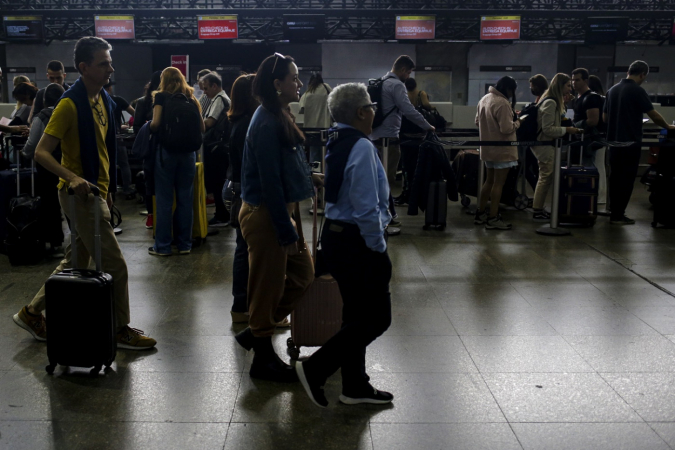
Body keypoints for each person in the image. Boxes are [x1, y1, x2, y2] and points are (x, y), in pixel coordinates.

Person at [12, 36, 156, 350]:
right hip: (78, 195)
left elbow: (105, 151)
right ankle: (121, 329)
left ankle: (31, 312)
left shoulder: (102, 99)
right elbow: (41, 152)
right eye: (104, 63)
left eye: (110, 61)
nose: (110, 68)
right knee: (115, 264)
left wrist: (108, 190)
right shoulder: (69, 104)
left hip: (96, 193)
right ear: (84, 67)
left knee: (75, 260)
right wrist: (73, 177)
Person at [295, 82, 393, 408]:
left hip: (336, 238)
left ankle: (355, 385)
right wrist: (378, 248)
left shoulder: (336, 139)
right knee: (378, 318)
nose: (374, 111)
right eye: (371, 106)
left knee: (355, 316)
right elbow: (366, 207)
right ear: (362, 112)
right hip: (356, 242)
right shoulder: (362, 146)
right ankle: (316, 369)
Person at [234, 53, 320, 382]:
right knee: (265, 289)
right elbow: (269, 181)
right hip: (267, 216)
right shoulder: (266, 121)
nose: (299, 83)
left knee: (302, 275)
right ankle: (262, 357)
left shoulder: (277, 114)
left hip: (278, 213)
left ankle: (256, 333)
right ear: (276, 84)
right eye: (294, 78)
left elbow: (284, 167)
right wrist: (286, 232)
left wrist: (308, 177)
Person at [603, 60, 675, 225]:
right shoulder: (637, 90)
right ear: (642, 74)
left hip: (613, 143)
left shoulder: (612, 90)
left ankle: (614, 211)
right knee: (627, 178)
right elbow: (653, 115)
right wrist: (668, 126)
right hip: (630, 143)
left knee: (615, 177)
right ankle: (619, 215)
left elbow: (605, 118)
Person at [370, 55, 434, 234]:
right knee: (387, 180)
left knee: (377, 179)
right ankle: (387, 219)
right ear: (403, 69)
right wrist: (427, 126)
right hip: (389, 139)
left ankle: (381, 216)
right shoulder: (397, 85)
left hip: (374, 136)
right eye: (409, 72)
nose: (408, 76)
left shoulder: (381, 81)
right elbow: (408, 109)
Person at [148, 67, 205, 256]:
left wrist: (149, 126)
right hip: (189, 154)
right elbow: (202, 127)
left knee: (164, 201)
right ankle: (184, 245)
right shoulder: (191, 98)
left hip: (167, 152)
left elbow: (155, 124)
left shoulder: (161, 97)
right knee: (185, 200)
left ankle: (163, 247)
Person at [225, 73, 258, 323]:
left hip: (235, 186)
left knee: (243, 246)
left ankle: (241, 304)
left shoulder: (238, 120)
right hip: (244, 188)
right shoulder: (249, 123)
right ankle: (242, 304)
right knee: (245, 248)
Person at [22, 83, 66, 258]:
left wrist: (24, 153)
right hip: (67, 163)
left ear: (44, 99)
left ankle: (55, 242)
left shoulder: (40, 117)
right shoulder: (67, 113)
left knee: (50, 203)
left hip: (47, 166)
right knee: (70, 202)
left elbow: (32, 144)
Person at [532, 73, 582, 221]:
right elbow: (548, 129)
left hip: (546, 144)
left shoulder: (551, 100)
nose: (570, 88)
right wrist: (567, 130)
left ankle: (538, 208)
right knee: (545, 176)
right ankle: (537, 209)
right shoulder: (551, 103)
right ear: (560, 86)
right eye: (567, 85)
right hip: (544, 144)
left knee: (545, 176)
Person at [474, 76, 521, 230]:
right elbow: (506, 129)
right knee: (498, 184)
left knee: (488, 181)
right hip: (503, 150)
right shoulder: (502, 103)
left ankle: (480, 213)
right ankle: (493, 217)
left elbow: (477, 121)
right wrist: (519, 121)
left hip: (488, 148)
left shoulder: (485, 99)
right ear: (509, 89)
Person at [200, 71, 231, 227]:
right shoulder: (220, 98)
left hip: (217, 147)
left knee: (218, 182)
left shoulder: (219, 99)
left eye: (206, 88)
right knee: (219, 182)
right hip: (219, 147)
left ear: (215, 85)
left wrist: (196, 124)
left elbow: (209, 123)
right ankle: (222, 213)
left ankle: (222, 215)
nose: (204, 92)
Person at [133, 71, 162, 229]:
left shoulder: (171, 101)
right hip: (151, 150)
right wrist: (148, 134)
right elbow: (137, 126)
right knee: (150, 183)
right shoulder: (143, 102)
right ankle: (151, 214)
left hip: (166, 149)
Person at [104, 81, 136, 198]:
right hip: (117, 136)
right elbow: (134, 112)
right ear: (110, 88)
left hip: (102, 137)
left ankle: (108, 190)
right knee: (124, 164)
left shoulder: (97, 101)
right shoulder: (117, 100)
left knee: (106, 164)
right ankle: (127, 188)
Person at [571, 68, 605, 167]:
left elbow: (593, 121)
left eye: (577, 80)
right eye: (572, 80)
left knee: (594, 168)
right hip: (583, 140)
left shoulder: (591, 98)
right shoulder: (579, 98)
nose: (574, 83)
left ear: (585, 81)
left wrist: (575, 127)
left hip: (591, 141)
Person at [299, 72, 332, 164]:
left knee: (314, 155)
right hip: (325, 128)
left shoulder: (308, 93)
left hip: (311, 130)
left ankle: (316, 174)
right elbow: (334, 101)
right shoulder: (326, 88)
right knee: (327, 154)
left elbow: (301, 109)